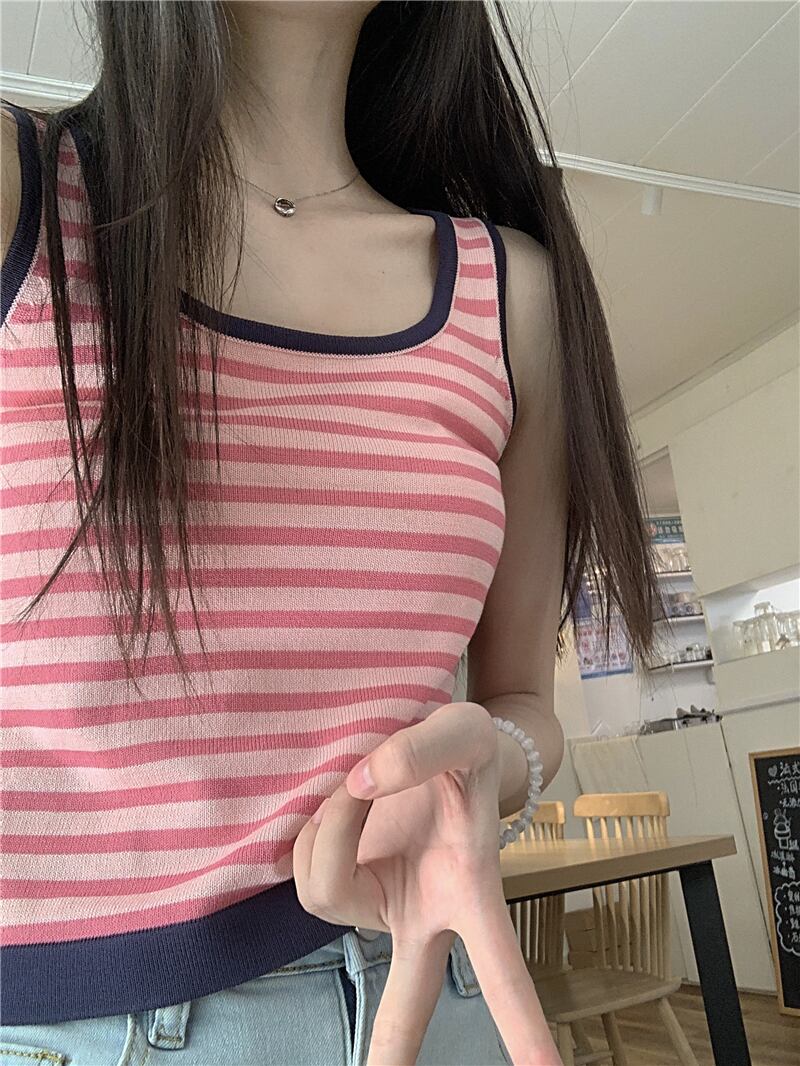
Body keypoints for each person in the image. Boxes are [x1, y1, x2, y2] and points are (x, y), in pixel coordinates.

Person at [0, 2, 659, 1063]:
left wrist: (488, 765)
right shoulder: (23, 194)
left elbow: (522, 704)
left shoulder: (506, 294)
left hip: (433, 996)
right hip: (79, 1020)